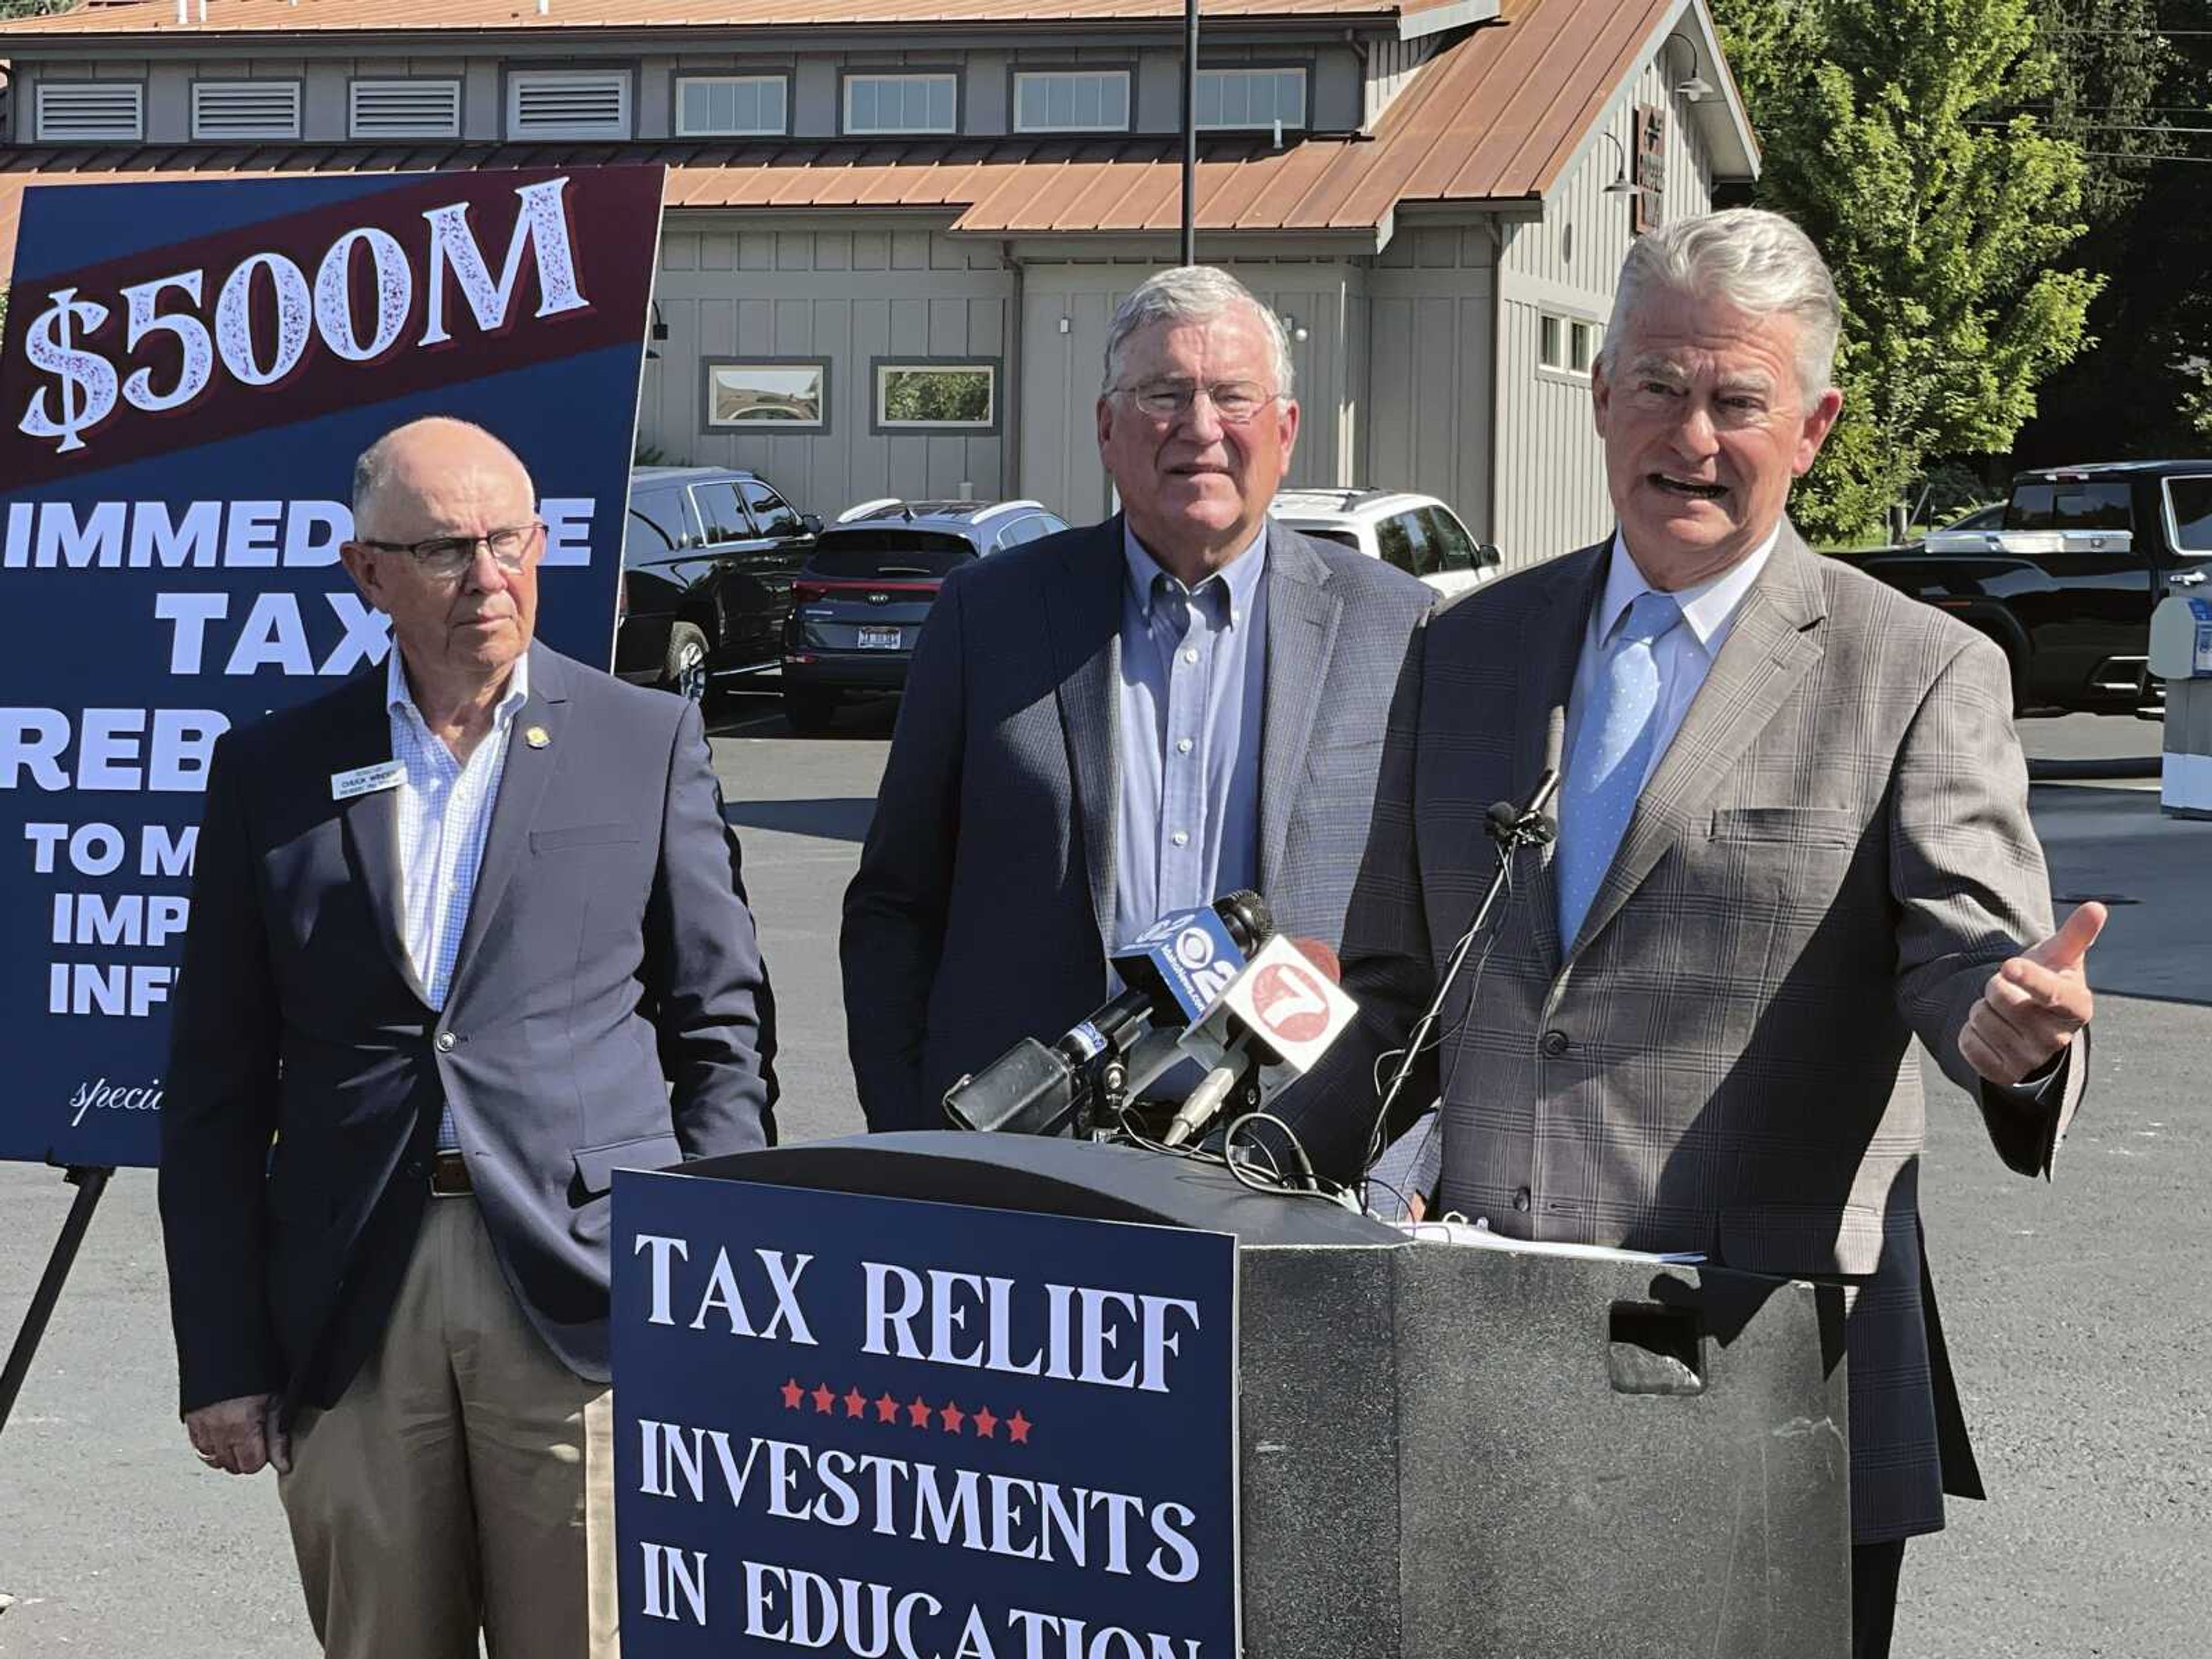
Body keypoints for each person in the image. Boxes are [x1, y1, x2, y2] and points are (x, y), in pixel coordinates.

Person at [1271, 210, 2101, 1658]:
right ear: (1600, 397)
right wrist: (1253, 1181)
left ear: (1815, 426)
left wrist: (2010, 1042)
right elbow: (1400, 993)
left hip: (1767, 1379)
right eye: (1657, 386)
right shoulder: (1465, 650)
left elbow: (1972, 957)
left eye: (1738, 401)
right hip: (1480, 1366)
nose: (1692, 436)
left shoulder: (1915, 670)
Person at [158, 415, 779, 1659]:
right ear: (367, 573)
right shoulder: (272, 771)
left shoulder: (640, 742)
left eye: (510, 540)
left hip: (587, 1285)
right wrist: (221, 1354)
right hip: (351, 1295)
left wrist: (710, 1276)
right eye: (445, 550)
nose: (487, 577)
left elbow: (720, 1028)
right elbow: (216, 1088)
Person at [843, 265, 1432, 1131]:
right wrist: (911, 1131)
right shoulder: (988, 616)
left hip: (1292, 1151)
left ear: (1286, 430)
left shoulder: (1398, 629)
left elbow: (1445, 944)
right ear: (1108, 428)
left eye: (1233, 396)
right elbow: (896, 904)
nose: (1201, 428)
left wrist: (1399, 1163)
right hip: (1031, 1155)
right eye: (1165, 394)